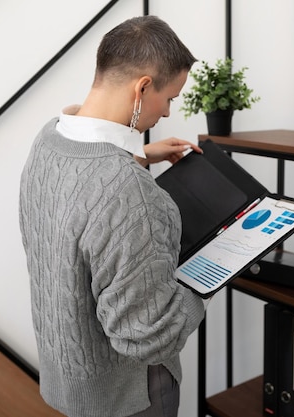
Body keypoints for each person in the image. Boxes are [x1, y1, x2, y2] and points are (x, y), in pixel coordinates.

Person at [19, 15, 207, 417]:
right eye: (170, 98)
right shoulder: (127, 191)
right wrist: (203, 285)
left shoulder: (48, 139)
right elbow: (147, 337)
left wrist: (140, 155)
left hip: (71, 378)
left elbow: (85, 200)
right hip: (131, 395)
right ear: (142, 87)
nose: (169, 113)